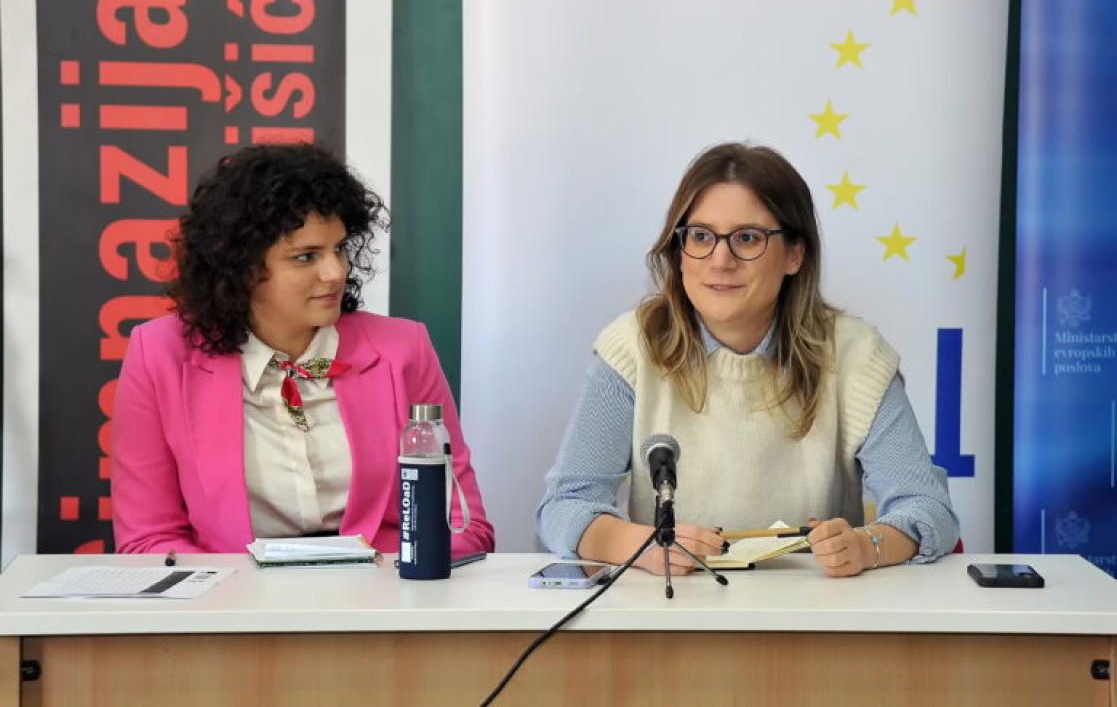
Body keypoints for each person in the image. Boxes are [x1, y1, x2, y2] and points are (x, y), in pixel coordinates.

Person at [537, 142, 958, 577]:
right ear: (678, 250)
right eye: (700, 236)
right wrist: (640, 544)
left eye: (747, 238)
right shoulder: (632, 349)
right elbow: (566, 505)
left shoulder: (855, 356)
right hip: (668, 618)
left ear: (795, 254)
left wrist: (866, 546)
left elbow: (928, 509)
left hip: (814, 623)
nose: (720, 260)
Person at [112, 143, 494, 556]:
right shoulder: (159, 355)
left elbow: (465, 527)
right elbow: (147, 541)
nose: (335, 273)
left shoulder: (404, 350)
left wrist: (376, 573)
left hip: (380, 598)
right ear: (241, 267)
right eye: (306, 256)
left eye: (340, 249)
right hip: (233, 606)